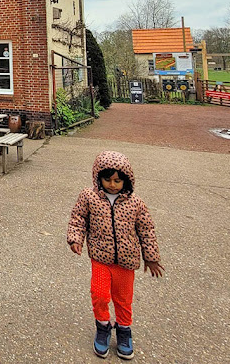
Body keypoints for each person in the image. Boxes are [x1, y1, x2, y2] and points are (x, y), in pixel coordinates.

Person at [67, 151, 164, 360]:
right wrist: (75, 238)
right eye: (107, 179)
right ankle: (103, 327)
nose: (112, 184)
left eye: (118, 180)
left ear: (126, 180)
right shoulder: (89, 196)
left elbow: (146, 229)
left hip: (126, 261)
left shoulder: (136, 203)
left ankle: (124, 330)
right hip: (100, 258)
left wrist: (151, 256)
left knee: (123, 299)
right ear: (98, 177)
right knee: (99, 295)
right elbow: (78, 218)